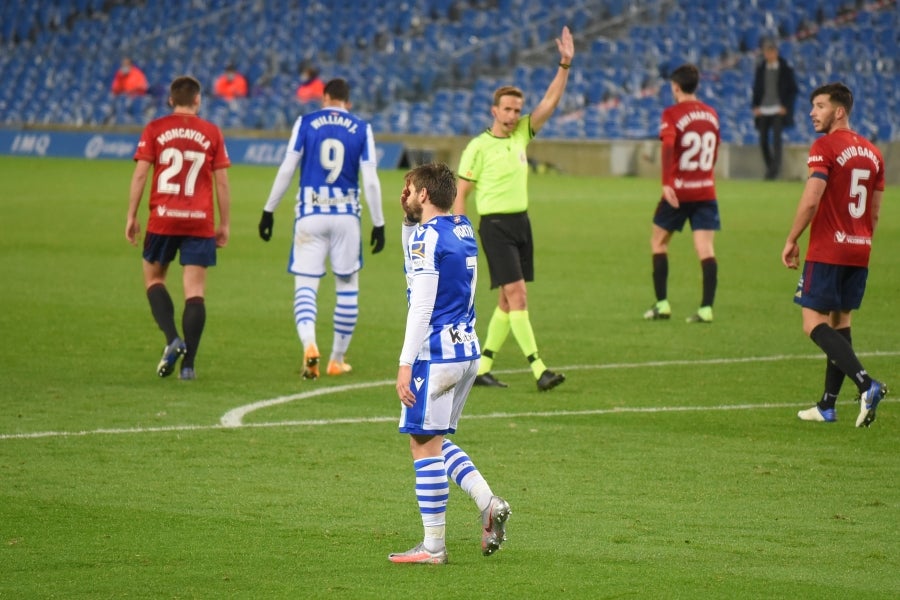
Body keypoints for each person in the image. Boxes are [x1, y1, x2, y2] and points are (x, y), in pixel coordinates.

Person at [390, 162, 510, 565]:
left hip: (434, 354)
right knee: (435, 438)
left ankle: (433, 547)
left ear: (424, 195)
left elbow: (421, 301)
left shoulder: (427, 236)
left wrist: (405, 363)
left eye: (411, 190)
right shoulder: (462, 227)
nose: (406, 194)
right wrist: (411, 218)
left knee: (422, 444)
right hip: (467, 351)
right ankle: (486, 501)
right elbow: (416, 258)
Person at [453, 25, 573, 392]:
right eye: (507, 108)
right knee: (519, 295)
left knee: (508, 300)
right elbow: (461, 193)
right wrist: (458, 234)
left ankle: (481, 367)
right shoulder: (478, 146)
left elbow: (550, 102)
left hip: (521, 223)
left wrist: (564, 65)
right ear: (494, 109)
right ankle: (539, 369)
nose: (513, 114)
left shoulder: (522, 132)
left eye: (517, 109)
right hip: (495, 227)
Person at [259, 78, 385, 379]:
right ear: (348, 101)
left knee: (306, 286)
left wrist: (269, 210)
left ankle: (310, 345)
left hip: (310, 215)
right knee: (347, 286)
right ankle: (336, 359)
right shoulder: (361, 128)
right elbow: (369, 180)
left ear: (325, 97)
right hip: (346, 217)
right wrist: (379, 222)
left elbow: (288, 168)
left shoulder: (306, 123)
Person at [782, 82, 888, 427]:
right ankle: (827, 405)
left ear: (838, 111)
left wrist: (792, 238)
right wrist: (861, 241)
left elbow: (812, 198)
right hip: (860, 249)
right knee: (840, 322)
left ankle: (866, 384)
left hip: (828, 248)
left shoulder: (825, 146)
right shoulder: (874, 153)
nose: (813, 112)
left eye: (820, 105)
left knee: (812, 322)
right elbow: (873, 212)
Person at [125, 75, 231, 380]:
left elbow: (141, 175)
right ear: (198, 100)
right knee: (195, 291)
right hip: (199, 219)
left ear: (171, 100)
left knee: (154, 279)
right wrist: (224, 223)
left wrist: (131, 215)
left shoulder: (155, 128)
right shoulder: (212, 132)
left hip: (163, 216)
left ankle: (173, 339)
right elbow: (221, 181)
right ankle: (189, 365)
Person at [643, 64, 721, 324]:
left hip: (678, 192)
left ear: (675, 87)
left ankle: (662, 304)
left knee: (658, 242)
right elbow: (716, 150)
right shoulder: (712, 114)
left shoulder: (672, 113)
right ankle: (706, 308)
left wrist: (666, 183)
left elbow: (667, 147)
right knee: (706, 249)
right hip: (705, 191)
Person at [752, 37, 799, 180]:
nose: (769, 54)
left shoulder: (785, 69)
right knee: (763, 140)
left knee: (777, 140)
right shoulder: (761, 69)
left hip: (778, 109)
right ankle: (770, 167)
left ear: (776, 52)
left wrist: (786, 107)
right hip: (764, 109)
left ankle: (774, 171)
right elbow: (756, 89)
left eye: (771, 51)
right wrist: (755, 106)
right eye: (766, 51)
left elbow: (793, 90)